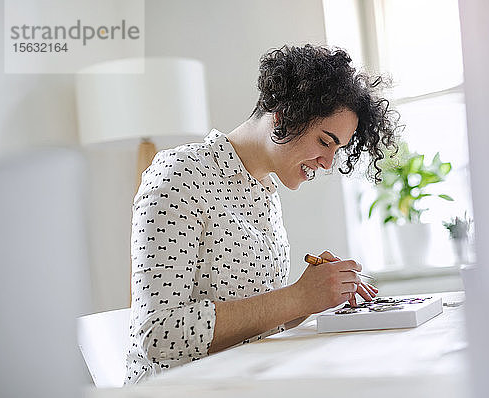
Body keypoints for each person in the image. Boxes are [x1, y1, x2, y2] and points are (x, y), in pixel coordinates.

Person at [125, 44, 399, 384]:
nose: (328, 163)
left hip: (246, 382)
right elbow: (157, 334)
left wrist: (311, 299)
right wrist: (297, 297)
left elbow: (256, 319)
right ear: (284, 117)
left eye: (338, 149)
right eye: (325, 141)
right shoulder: (180, 175)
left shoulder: (265, 191)